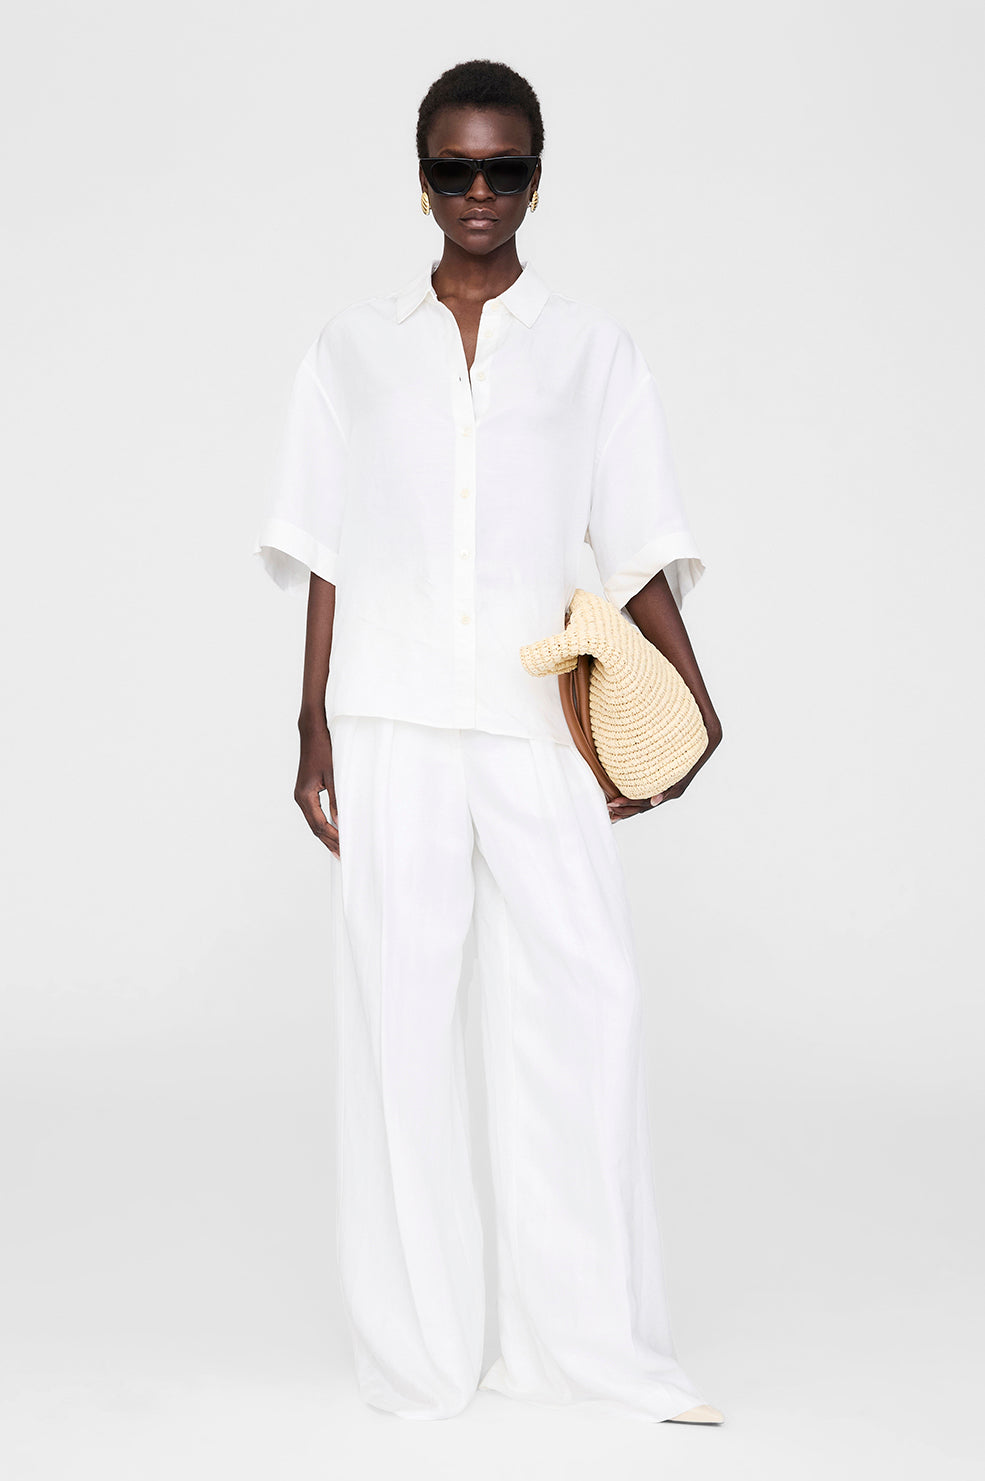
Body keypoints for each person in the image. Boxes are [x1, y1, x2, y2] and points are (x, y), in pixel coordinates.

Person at [254, 58, 725, 1426]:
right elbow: (326, 550)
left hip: (537, 721)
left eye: (502, 168)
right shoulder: (350, 350)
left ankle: (582, 1348)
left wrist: (696, 701)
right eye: (453, 168)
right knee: (398, 1028)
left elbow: (636, 548)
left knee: (585, 1003)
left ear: (534, 179)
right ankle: (419, 1357)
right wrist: (309, 718)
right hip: (390, 717)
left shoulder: (593, 354)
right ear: (420, 180)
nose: (477, 191)